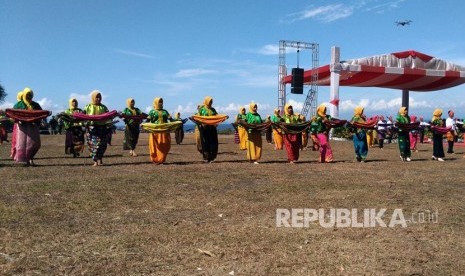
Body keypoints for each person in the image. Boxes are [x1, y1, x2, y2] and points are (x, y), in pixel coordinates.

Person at [13, 87, 43, 166]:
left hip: (33, 126)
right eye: (27, 94)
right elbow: (14, 114)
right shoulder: (18, 104)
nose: (29, 96)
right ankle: (27, 160)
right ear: (24, 95)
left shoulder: (35, 105)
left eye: (30, 95)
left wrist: (40, 120)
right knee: (23, 144)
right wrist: (18, 120)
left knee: (35, 143)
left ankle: (30, 157)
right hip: (22, 127)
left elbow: (40, 113)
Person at [84, 90, 110, 166]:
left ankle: (100, 158)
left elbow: (108, 116)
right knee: (94, 144)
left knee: (103, 144)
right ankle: (95, 161)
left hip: (102, 127)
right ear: (93, 98)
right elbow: (83, 116)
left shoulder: (104, 107)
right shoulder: (88, 106)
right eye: (97, 97)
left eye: (99, 97)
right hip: (92, 128)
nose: (98, 99)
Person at [147, 97, 173, 164]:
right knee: (155, 146)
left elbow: (171, 120)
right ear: (155, 102)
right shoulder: (152, 112)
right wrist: (144, 124)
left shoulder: (165, 111)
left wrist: (173, 120)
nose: (160, 103)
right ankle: (155, 159)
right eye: (159, 102)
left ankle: (162, 159)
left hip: (164, 131)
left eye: (161, 102)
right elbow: (147, 120)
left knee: (165, 146)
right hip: (155, 131)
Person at [198, 96, 219, 163]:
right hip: (204, 129)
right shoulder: (202, 109)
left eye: (211, 101)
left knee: (213, 143)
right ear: (206, 101)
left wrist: (223, 118)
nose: (210, 103)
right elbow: (198, 117)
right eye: (209, 101)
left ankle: (212, 157)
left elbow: (217, 116)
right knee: (205, 143)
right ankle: (206, 157)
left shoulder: (213, 110)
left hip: (212, 128)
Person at [10, 90, 23, 159]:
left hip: (17, 124)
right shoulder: (18, 105)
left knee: (16, 140)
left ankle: (15, 154)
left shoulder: (16, 105)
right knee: (17, 139)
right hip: (18, 125)